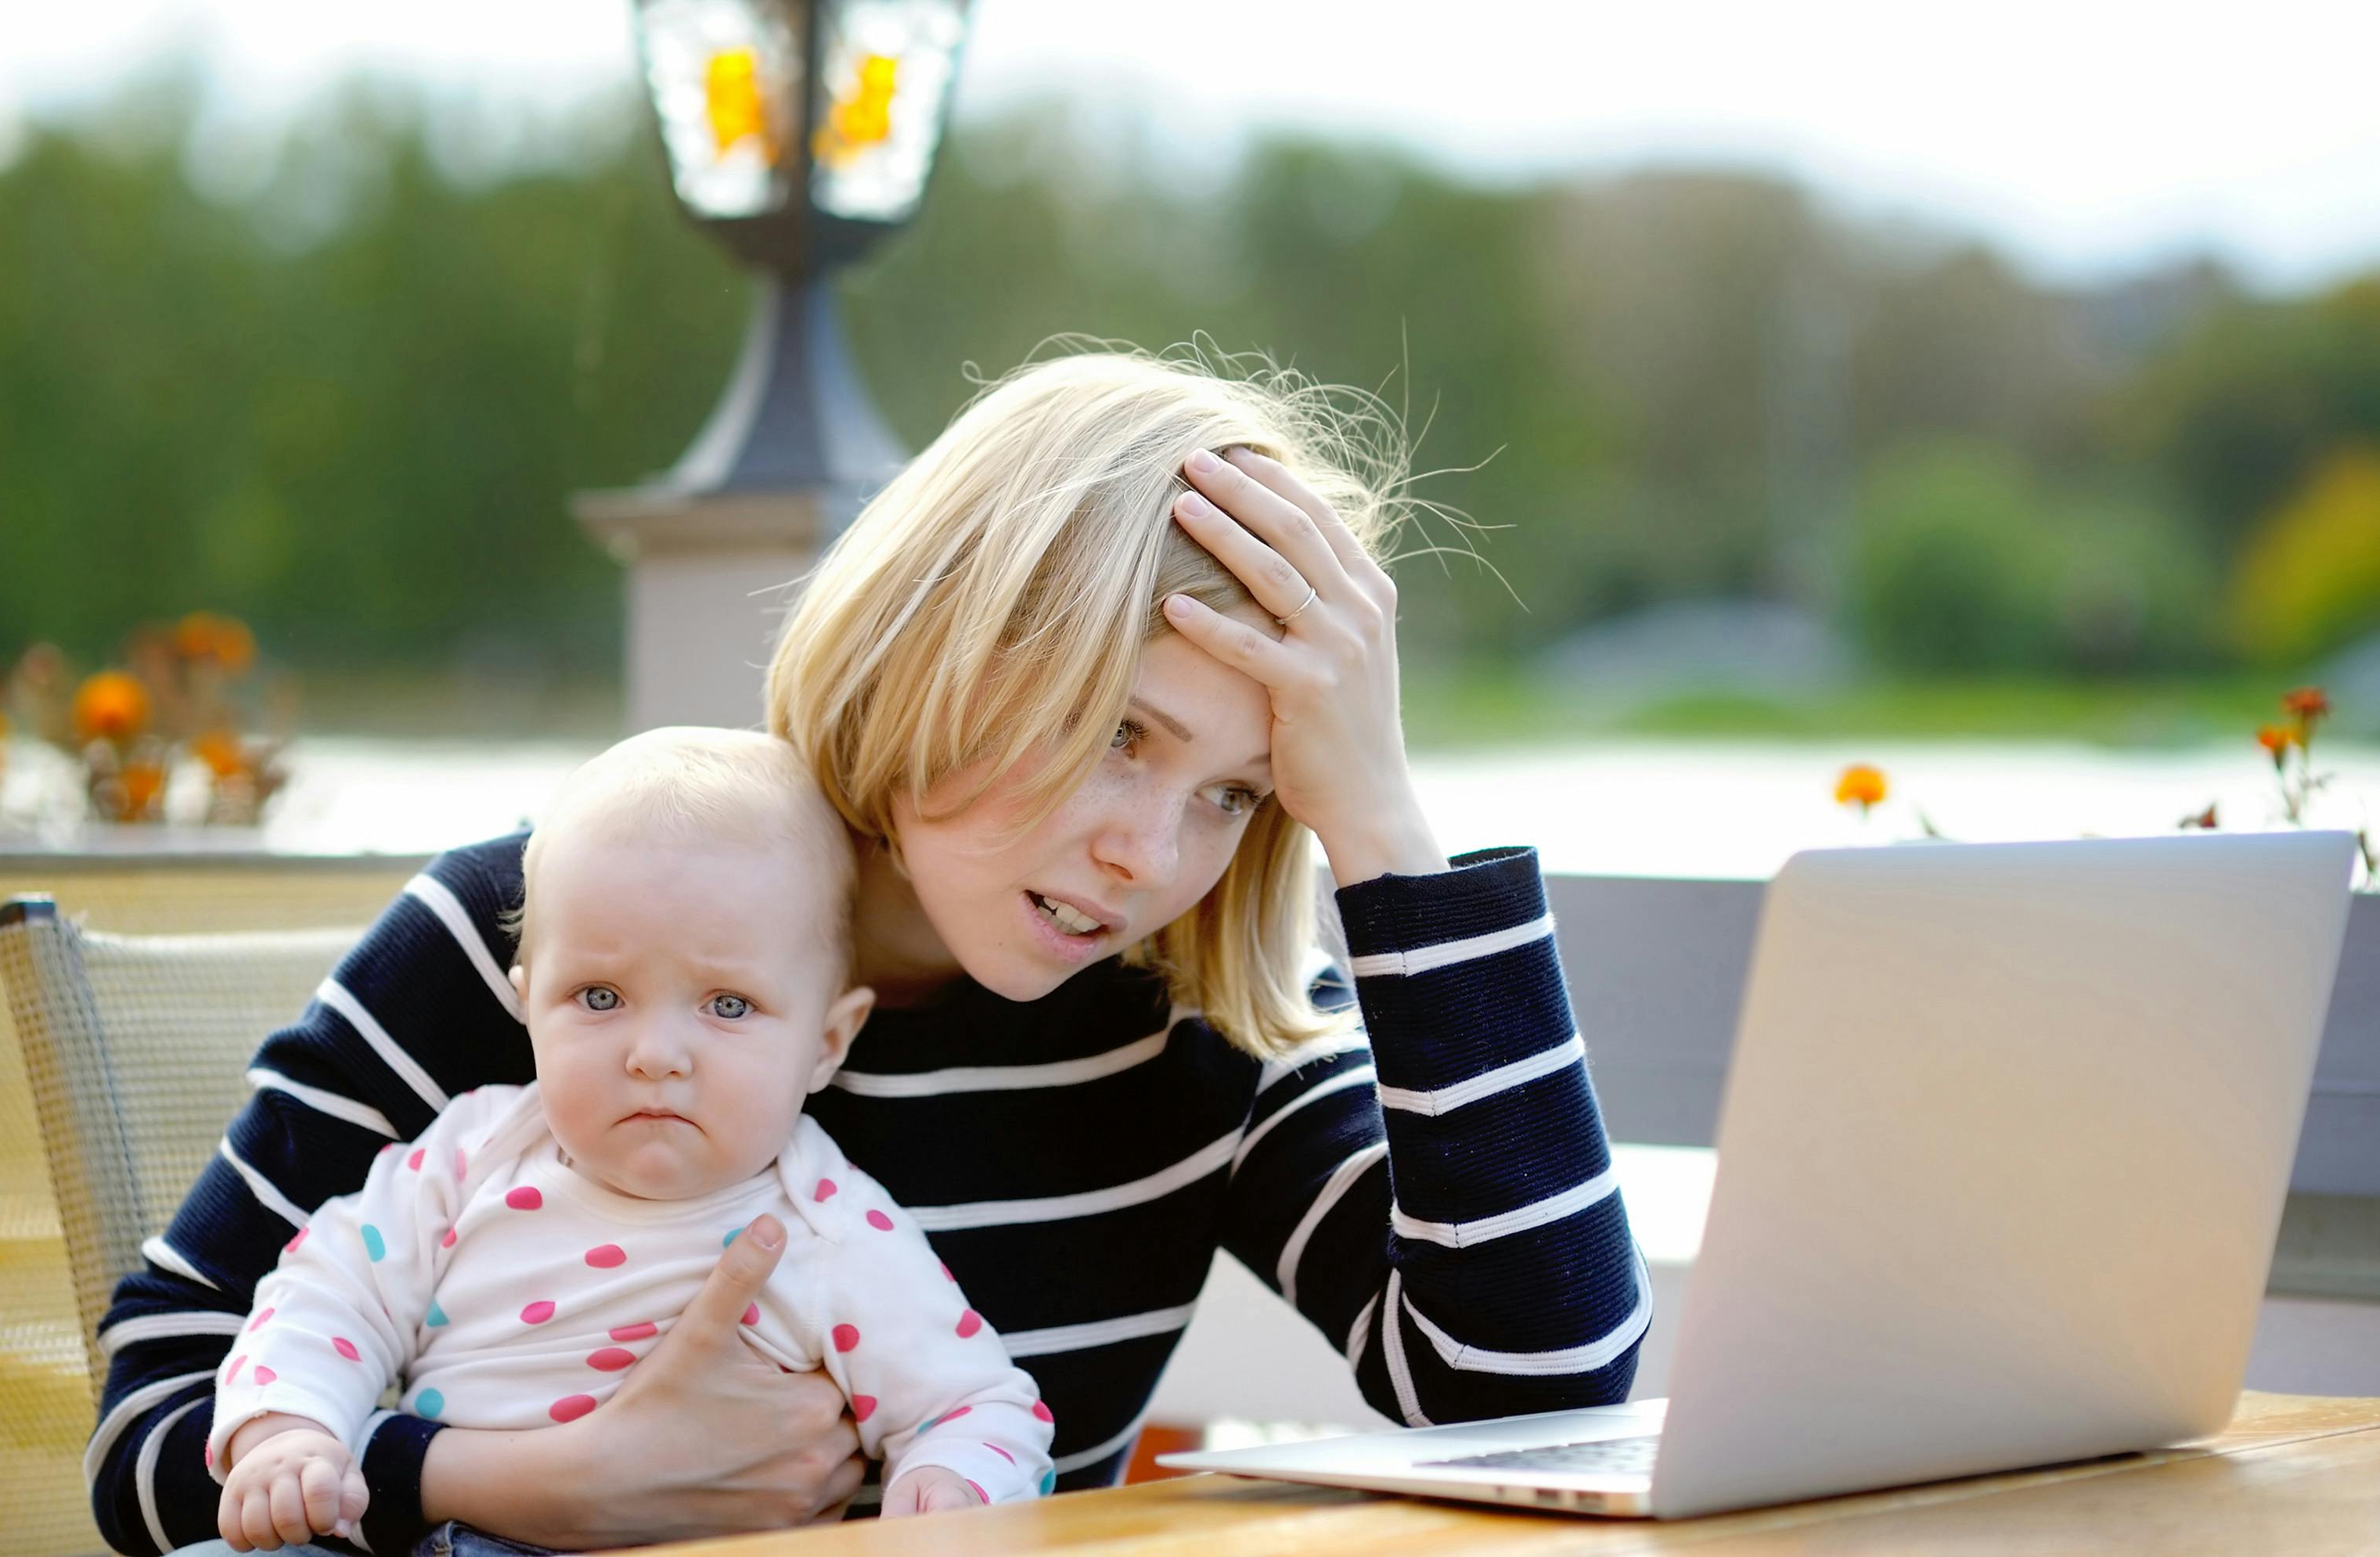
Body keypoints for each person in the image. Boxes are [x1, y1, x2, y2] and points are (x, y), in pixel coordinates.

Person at [88, 346, 1651, 1555]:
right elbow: (144, 1426)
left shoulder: (1194, 1004)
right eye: (1119, 733)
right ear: (954, 641)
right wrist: (548, 1482)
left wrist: (1380, 821)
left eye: (1237, 789)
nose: (1151, 851)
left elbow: (1527, 1399)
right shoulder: (564, 930)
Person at [205, 728, 1053, 1550]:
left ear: (827, 1042)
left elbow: (974, 1404)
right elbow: (329, 1293)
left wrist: (946, 1492)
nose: (654, 1056)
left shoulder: (828, 1225)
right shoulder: (472, 1155)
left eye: (727, 1005)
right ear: (528, 1006)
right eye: (600, 997)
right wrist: (291, 1431)